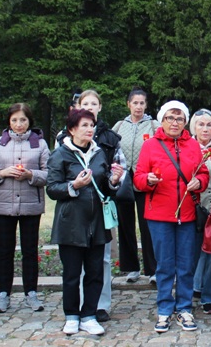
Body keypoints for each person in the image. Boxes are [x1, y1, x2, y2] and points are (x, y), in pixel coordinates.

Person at [133, 101, 209, 333]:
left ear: (185, 122)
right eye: (170, 118)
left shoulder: (193, 146)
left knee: (186, 264)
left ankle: (184, 308)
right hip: (159, 215)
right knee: (165, 265)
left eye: (179, 119)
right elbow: (137, 178)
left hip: (186, 214)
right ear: (162, 120)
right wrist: (148, 180)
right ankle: (165, 308)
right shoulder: (150, 146)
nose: (174, 123)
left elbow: (203, 172)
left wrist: (200, 182)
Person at [47, 109, 124, 335]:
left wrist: (114, 180)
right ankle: (71, 315)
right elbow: (52, 188)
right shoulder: (60, 155)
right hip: (71, 223)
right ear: (72, 130)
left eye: (92, 125)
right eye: (84, 125)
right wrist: (74, 186)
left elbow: (106, 187)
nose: (90, 129)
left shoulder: (100, 153)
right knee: (71, 273)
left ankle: (89, 314)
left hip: (97, 222)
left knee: (95, 272)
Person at [0, 103, 50, 313]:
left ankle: (32, 292)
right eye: (14, 120)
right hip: (4, 205)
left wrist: (31, 175)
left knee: (30, 251)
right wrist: (2, 173)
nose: (19, 124)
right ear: (8, 121)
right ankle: (4, 293)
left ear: (29, 121)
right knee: (5, 251)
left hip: (31, 206)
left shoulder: (40, 144)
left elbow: (50, 175)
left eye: (23, 120)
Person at [76, 89, 127, 323]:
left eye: (93, 103)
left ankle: (101, 304)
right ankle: (78, 302)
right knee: (77, 257)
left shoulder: (111, 139)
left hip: (103, 204)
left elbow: (121, 169)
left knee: (103, 258)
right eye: (85, 103)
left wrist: (116, 178)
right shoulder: (64, 137)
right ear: (78, 107)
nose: (89, 106)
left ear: (100, 107)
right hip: (76, 205)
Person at [112, 88, 160, 285]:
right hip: (124, 178)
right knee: (125, 224)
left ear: (146, 105)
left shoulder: (153, 125)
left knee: (147, 224)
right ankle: (131, 267)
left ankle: (153, 269)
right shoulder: (119, 125)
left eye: (142, 103)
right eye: (135, 103)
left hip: (145, 178)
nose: (138, 106)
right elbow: (110, 148)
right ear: (128, 104)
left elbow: (160, 149)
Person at [188, 108, 211, 314]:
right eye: (201, 124)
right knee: (190, 253)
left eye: (209, 124)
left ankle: (209, 296)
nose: (205, 128)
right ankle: (191, 290)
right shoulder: (185, 147)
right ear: (193, 126)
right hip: (191, 209)